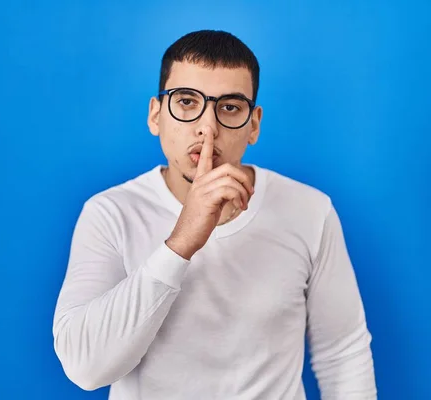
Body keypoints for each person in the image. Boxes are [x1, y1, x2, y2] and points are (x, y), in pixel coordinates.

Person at [52, 30, 377, 399]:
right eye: (187, 102)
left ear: (253, 124)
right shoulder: (110, 213)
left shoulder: (310, 210)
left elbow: (343, 352)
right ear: (156, 115)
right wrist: (181, 243)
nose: (208, 127)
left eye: (230, 107)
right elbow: (85, 367)